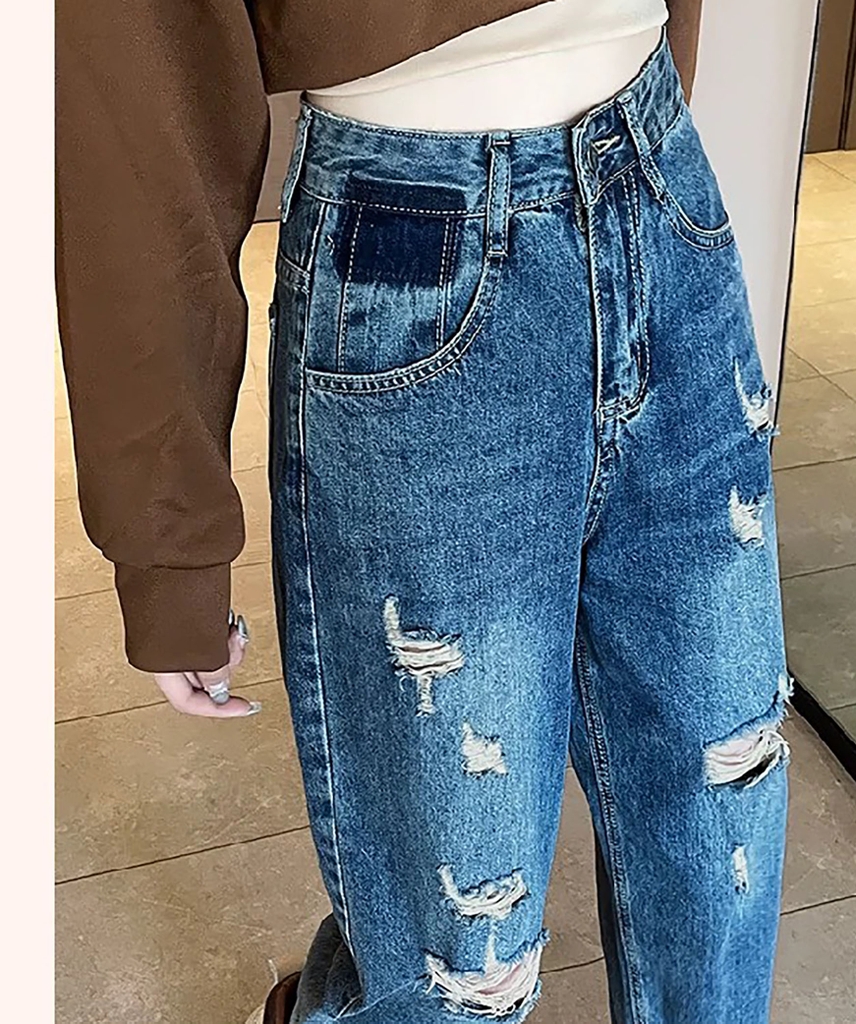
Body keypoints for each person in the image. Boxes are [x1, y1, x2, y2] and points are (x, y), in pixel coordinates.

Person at [55, 2, 791, 1023]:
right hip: (415, 235)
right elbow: (142, 73)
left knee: (725, 801)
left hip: (658, 179)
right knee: (463, 946)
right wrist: (166, 540)